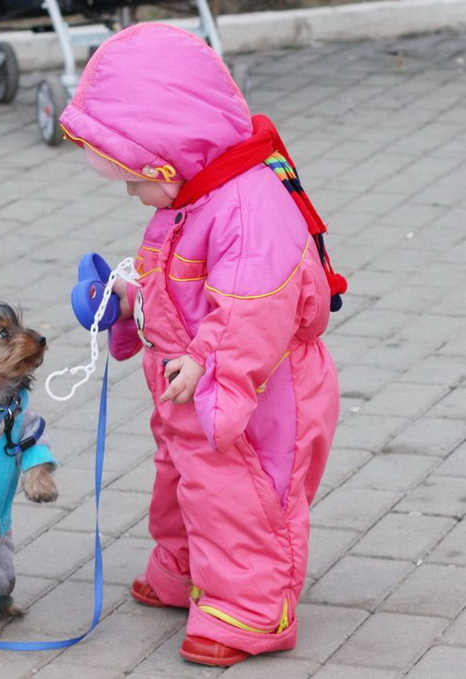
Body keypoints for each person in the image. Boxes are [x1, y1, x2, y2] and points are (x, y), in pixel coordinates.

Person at [58, 23, 341, 667]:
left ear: (171, 153)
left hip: (257, 393)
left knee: (244, 496)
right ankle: (188, 569)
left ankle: (248, 608)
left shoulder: (249, 206)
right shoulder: (190, 195)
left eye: (134, 179)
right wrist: (129, 302)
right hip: (190, 387)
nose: (133, 195)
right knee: (183, 481)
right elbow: (172, 282)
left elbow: (253, 305)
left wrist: (212, 361)